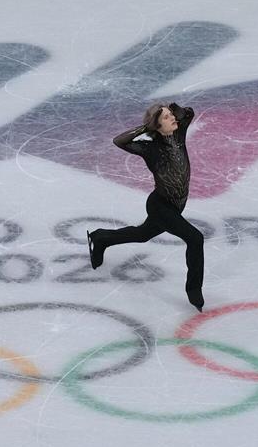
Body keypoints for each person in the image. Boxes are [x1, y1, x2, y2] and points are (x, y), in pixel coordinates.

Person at [88, 102, 205, 311]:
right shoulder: (150, 149)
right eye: (167, 118)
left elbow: (189, 113)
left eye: (171, 116)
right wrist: (145, 128)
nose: (173, 119)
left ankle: (101, 238)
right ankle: (194, 291)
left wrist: (173, 109)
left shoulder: (179, 134)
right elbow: (119, 141)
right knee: (195, 239)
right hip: (160, 206)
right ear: (157, 126)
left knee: (142, 235)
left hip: (177, 205)